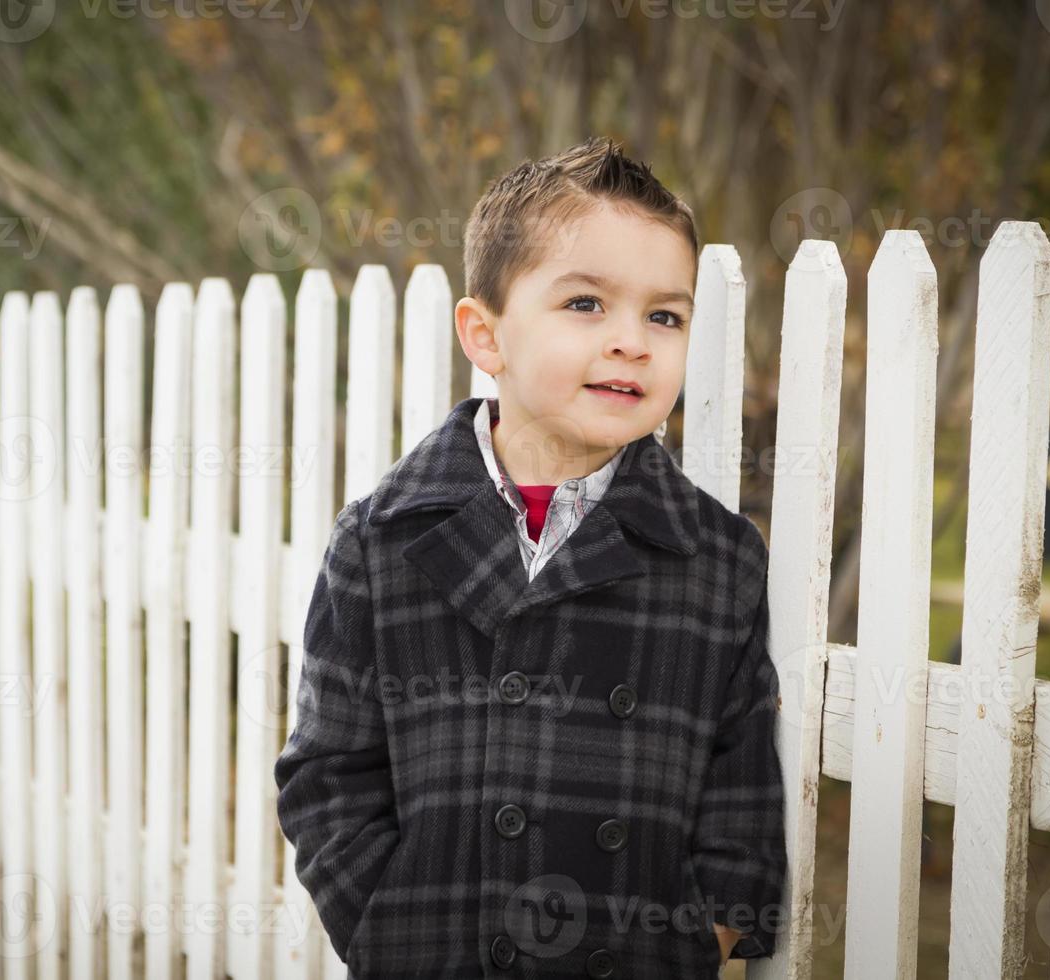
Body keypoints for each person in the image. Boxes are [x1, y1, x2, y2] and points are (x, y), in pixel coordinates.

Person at [274, 136, 787, 979]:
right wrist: (391, 930)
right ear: (486, 336)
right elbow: (329, 776)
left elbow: (740, 800)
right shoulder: (382, 540)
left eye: (665, 316)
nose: (632, 341)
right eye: (586, 304)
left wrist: (696, 944)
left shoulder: (716, 560)